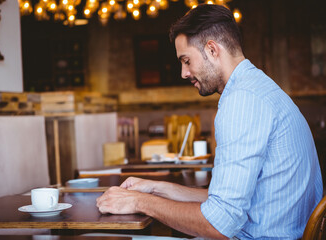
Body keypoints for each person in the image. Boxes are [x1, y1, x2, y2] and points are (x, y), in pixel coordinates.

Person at [96, 4, 323, 239]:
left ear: (212, 50)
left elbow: (219, 224)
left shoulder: (242, 101)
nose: (183, 73)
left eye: (186, 60)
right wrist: (155, 188)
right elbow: (225, 199)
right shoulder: (258, 88)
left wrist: (140, 202)